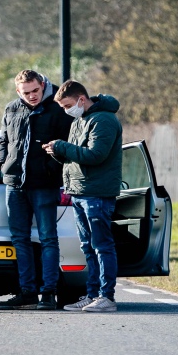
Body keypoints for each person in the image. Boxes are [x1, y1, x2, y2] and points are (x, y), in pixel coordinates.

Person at [0, 70, 73, 311]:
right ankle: (26, 292)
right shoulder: (11, 109)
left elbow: (69, 143)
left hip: (45, 185)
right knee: (20, 239)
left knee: (48, 238)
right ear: (18, 92)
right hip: (15, 184)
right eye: (26, 93)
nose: (31, 96)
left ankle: (48, 293)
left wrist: (52, 169)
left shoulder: (58, 108)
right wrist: (2, 164)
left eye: (35, 91)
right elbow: (3, 141)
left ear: (43, 85)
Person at [43, 80, 122, 313]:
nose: (67, 111)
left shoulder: (104, 120)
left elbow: (96, 155)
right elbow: (74, 156)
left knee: (102, 245)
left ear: (81, 99)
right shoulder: (80, 120)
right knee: (87, 246)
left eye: (68, 105)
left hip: (96, 193)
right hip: (78, 190)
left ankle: (106, 296)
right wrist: (57, 152)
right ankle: (91, 294)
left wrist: (62, 147)